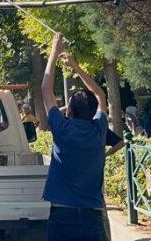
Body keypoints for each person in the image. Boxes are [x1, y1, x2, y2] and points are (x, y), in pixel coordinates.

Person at [41, 34, 108, 241]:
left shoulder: (62, 129)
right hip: (92, 216)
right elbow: (100, 95)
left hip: (62, 214)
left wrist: (54, 51)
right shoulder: (99, 130)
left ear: (69, 111)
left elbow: (45, 89)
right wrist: (75, 67)